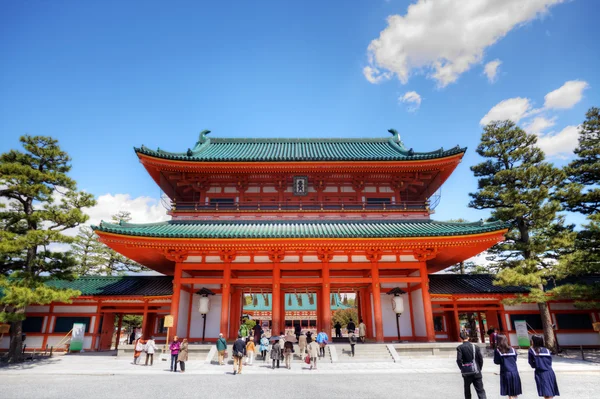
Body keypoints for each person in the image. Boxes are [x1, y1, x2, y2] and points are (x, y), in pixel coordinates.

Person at [457, 331, 487, 399]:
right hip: (476, 370)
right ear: (468, 337)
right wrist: (479, 368)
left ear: (460, 338)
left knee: (467, 390)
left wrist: (462, 368)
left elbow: (459, 360)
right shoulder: (475, 347)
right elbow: (480, 359)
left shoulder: (460, 348)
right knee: (480, 390)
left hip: (467, 371)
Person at [528, 334, 560, 399]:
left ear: (534, 341)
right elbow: (549, 361)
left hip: (541, 373)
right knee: (550, 392)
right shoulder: (547, 350)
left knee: (546, 392)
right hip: (550, 372)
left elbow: (531, 362)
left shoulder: (532, 350)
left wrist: (536, 365)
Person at [494, 334, 522, 398]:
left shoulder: (498, 350)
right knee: (514, 391)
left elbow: (496, 361)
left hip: (505, 372)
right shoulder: (513, 349)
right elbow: (515, 359)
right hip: (514, 372)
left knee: (509, 391)